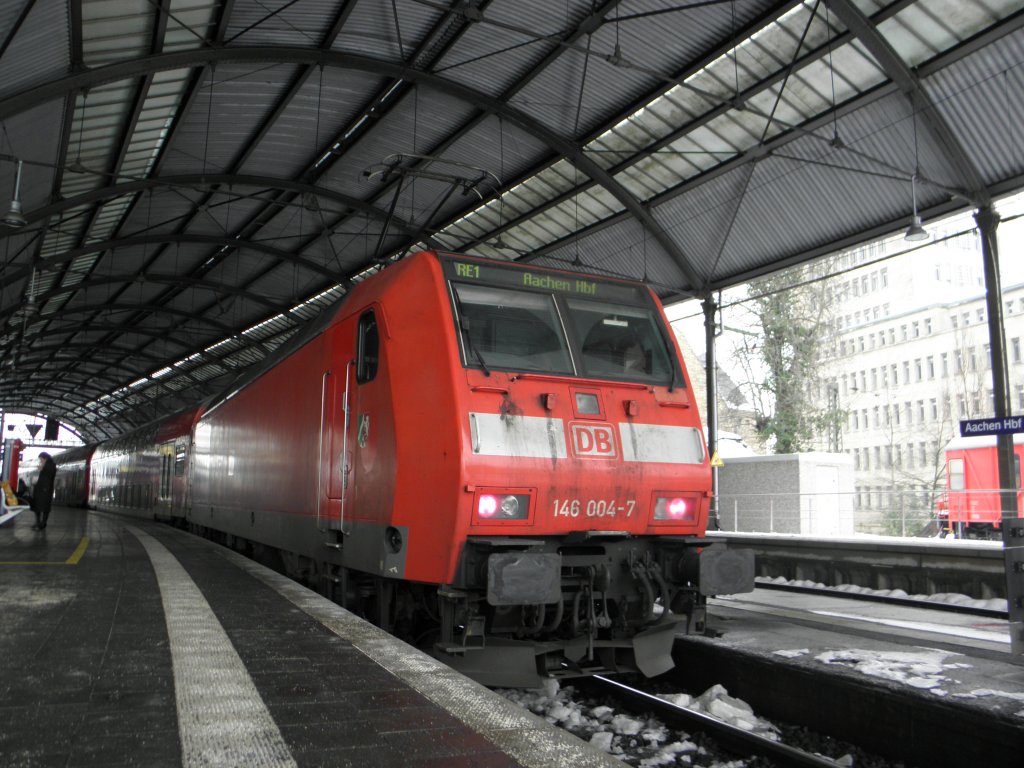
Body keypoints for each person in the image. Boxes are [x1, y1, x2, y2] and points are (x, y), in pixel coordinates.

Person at [31, 452, 56, 531]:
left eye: (41, 459)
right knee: (43, 508)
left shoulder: (49, 465)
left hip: (44, 490)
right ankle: (41, 523)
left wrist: (42, 468)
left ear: (45, 458)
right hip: (44, 490)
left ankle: (40, 523)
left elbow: (48, 475)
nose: (40, 461)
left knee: (40, 508)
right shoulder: (50, 465)